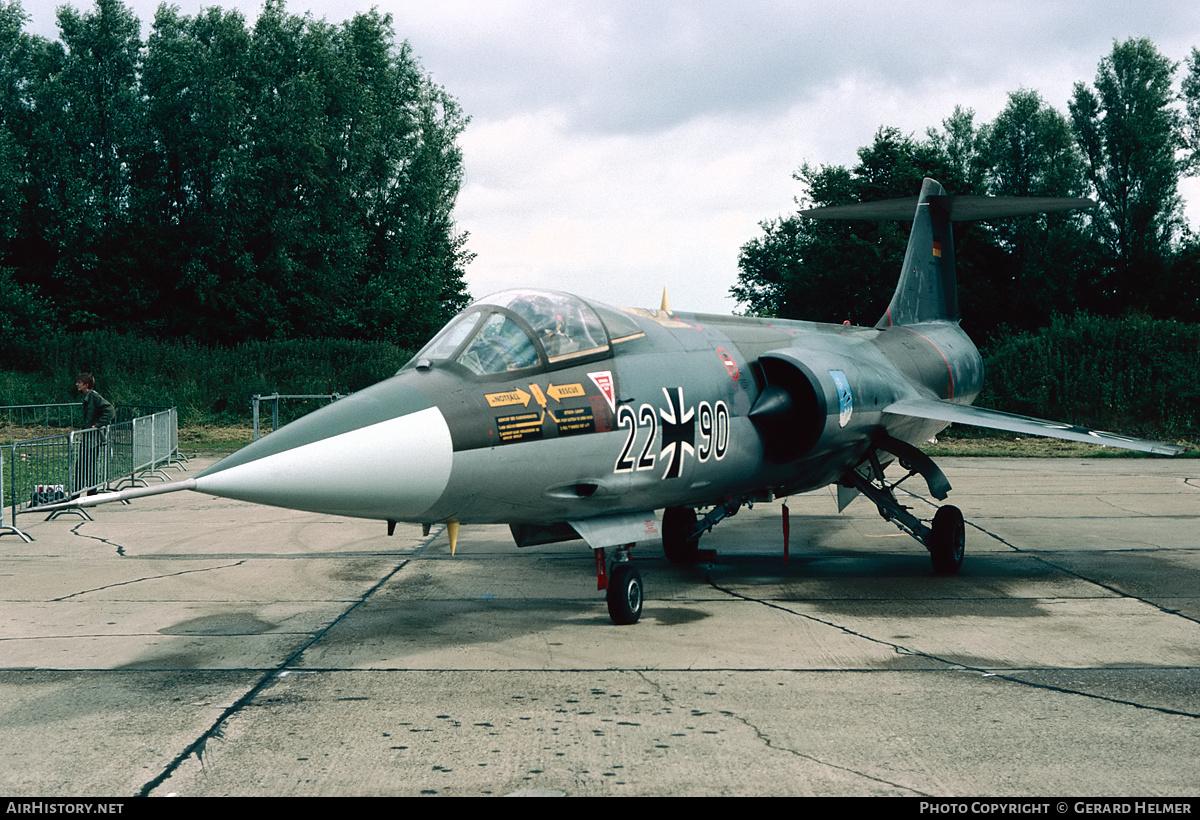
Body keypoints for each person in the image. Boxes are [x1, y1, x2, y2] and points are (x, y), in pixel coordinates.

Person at [73, 373, 114, 495]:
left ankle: (87, 494)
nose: (77, 384)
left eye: (79, 382)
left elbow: (110, 410)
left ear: (86, 385)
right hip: (88, 437)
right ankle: (82, 493)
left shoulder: (94, 397)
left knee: (86, 466)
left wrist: (97, 424)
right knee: (83, 466)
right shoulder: (87, 397)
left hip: (92, 438)